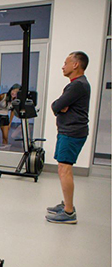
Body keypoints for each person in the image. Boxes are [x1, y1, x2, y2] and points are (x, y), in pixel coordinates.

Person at [46, 51, 91, 224]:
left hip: (72, 132)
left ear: (76, 65)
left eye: (66, 63)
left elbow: (57, 105)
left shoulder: (77, 85)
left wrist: (60, 107)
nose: (62, 66)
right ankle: (67, 204)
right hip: (69, 131)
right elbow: (60, 106)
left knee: (65, 169)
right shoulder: (77, 84)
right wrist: (61, 107)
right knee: (63, 168)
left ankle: (69, 212)